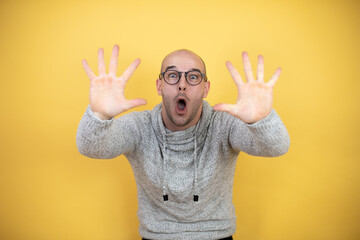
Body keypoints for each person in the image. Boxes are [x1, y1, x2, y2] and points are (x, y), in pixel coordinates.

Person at [76, 45, 290, 240]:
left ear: (206, 88)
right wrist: (99, 116)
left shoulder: (223, 124)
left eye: (193, 77)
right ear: (159, 86)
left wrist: (261, 119)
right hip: (155, 237)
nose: (182, 85)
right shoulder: (140, 127)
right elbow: (90, 147)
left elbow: (276, 147)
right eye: (172, 75)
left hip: (217, 236)